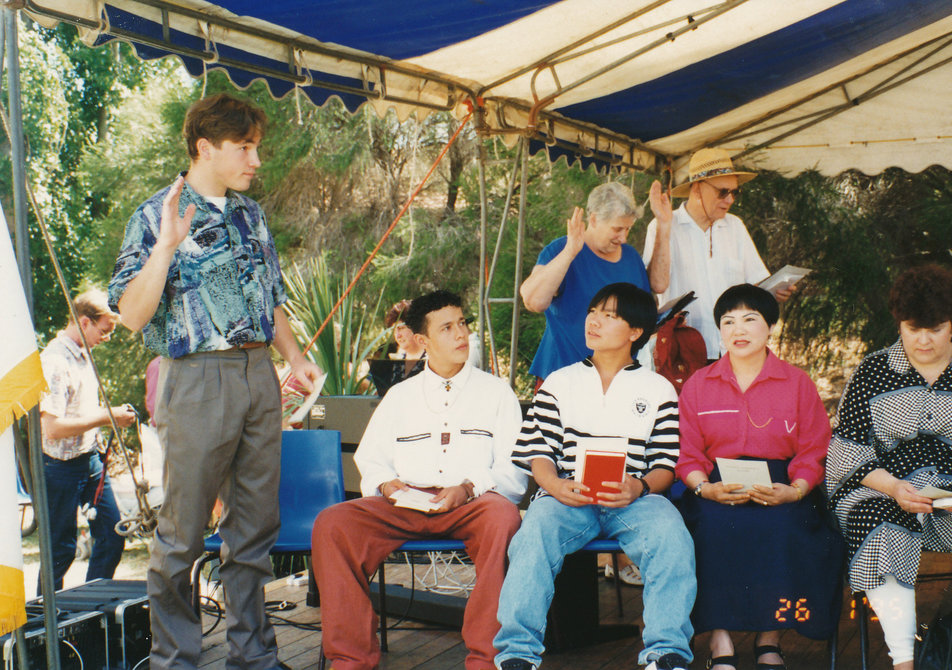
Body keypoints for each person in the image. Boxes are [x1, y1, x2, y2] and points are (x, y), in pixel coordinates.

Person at [108, 93, 322, 670]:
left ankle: (252, 655)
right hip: (196, 378)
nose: (257, 160)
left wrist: (294, 357)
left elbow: (271, 297)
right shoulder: (156, 214)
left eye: (256, 147)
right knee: (181, 535)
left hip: (259, 376)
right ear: (205, 148)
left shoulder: (252, 214)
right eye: (245, 147)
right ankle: (173, 660)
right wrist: (167, 248)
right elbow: (130, 315)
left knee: (255, 528)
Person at [311, 290, 527, 670]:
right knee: (333, 524)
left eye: (463, 323)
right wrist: (388, 485)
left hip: (473, 504)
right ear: (423, 341)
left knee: (504, 519)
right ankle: (351, 660)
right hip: (405, 504)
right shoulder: (400, 396)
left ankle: (488, 659)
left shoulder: (496, 393)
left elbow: (512, 471)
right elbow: (372, 460)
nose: (461, 334)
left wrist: (467, 488)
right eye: (447, 328)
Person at [495, 282, 696, 670]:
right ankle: (516, 654)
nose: (594, 321)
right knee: (534, 532)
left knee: (672, 534)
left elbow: (665, 465)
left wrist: (637, 486)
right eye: (593, 312)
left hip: (633, 500)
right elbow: (539, 451)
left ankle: (665, 651)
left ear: (636, 331)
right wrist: (553, 486)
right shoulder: (560, 381)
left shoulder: (657, 389)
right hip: (568, 496)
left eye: (610, 315)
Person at [827, 264, 952, 670]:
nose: (923, 339)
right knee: (876, 522)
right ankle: (904, 662)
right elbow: (846, 451)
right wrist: (894, 488)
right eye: (912, 328)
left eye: (935, 329)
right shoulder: (873, 372)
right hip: (890, 494)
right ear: (899, 323)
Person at [676, 284, 843, 670]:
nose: (739, 329)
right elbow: (687, 453)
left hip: (782, 485)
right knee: (710, 529)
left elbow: (815, 447)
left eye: (750, 319)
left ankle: (770, 638)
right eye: (729, 321)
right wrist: (705, 487)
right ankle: (721, 644)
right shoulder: (700, 385)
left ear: (770, 327)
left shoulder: (797, 383)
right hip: (717, 485)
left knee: (787, 528)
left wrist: (797, 489)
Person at [642, 148, 794, 361]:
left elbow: (757, 285)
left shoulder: (735, 226)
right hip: (684, 353)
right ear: (697, 189)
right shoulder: (663, 225)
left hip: (734, 350)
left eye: (734, 192)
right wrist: (664, 227)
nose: (730, 199)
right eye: (723, 192)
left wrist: (774, 292)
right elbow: (656, 285)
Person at [521, 181, 673, 381]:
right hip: (564, 376)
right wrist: (570, 252)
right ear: (593, 220)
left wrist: (664, 225)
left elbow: (659, 285)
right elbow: (533, 302)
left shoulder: (630, 256)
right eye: (617, 229)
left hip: (616, 378)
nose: (623, 238)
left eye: (627, 229)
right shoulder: (561, 249)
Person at [37, 288, 136, 592]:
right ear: (84, 321)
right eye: (104, 331)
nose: (107, 338)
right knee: (60, 551)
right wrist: (109, 416)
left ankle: (91, 612)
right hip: (59, 468)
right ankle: (45, 629)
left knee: (113, 533)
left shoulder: (83, 355)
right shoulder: (54, 361)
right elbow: (52, 429)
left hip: (90, 461)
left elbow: (83, 410)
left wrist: (112, 415)